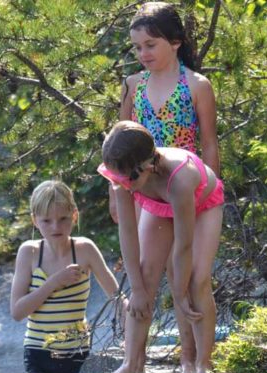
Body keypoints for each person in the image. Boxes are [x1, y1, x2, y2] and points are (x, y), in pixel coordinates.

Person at [99, 120, 223, 373]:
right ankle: (131, 364)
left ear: (148, 165)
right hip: (159, 204)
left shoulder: (180, 177)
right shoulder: (123, 176)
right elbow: (128, 234)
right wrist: (139, 289)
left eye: (128, 179)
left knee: (196, 281)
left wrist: (179, 293)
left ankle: (204, 365)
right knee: (144, 278)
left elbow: (184, 244)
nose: (123, 185)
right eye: (117, 179)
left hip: (202, 204)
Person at [10, 181, 121, 373]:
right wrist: (53, 282)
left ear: (74, 215)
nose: (55, 226)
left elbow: (117, 296)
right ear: (34, 220)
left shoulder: (84, 250)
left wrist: (133, 319)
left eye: (63, 219)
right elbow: (17, 311)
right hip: (38, 354)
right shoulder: (29, 253)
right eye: (46, 220)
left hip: (78, 355)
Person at [108, 1, 219, 222]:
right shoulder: (133, 85)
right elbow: (117, 146)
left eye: (150, 45)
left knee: (181, 253)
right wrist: (114, 195)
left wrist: (210, 193)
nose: (143, 53)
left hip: (182, 184)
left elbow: (209, 143)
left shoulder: (197, 85)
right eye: (138, 47)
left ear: (175, 42)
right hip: (142, 187)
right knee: (145, 257)